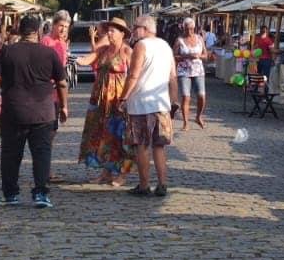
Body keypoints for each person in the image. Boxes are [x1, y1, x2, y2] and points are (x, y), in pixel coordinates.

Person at [0, 14, 68, 207]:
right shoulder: (49, 53)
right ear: (39, 31)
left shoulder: (7, 52)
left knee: (11, 154)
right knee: (42, 153)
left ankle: (10, 194)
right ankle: (40, 193)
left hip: (14, 111)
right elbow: (62, 83)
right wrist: (63, 106)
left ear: (20, 31)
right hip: (43, 111)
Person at [118, 14, 178, 198]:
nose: (133, 30)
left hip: (142, 104)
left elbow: (134, 75)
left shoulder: (141, 46)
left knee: (141, 145)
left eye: (135, 26)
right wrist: (173, 102)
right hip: (161, 104)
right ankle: (162, 184)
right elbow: (173, 77)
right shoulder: (166, 46)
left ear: (145, 28)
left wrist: (123, 98)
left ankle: (144, 185)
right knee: (159, 146)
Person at [76, 17, 133, 185]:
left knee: (121, 136)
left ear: (122, 33)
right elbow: (86, 60)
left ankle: (122, 174)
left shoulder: (127, 51)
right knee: (104, 135)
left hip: (118, 100)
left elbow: (135, 75)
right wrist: (69, 57)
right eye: (108, 30)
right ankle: (106, 173)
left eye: (112, 30)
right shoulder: (104, 50)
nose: (108, 33)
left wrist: (128, 97)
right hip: (101, 99)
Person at [173, 18, 211, 130]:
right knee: (186, 96)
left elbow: (205, 55)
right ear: (183, 28)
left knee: (202, 96)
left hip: (198, 70)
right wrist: (187, 56)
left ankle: (198, 116)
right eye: (187, 29)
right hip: (184, 71)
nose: (189, 31)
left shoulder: (199, 38)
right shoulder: (179, 40)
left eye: (191, 29)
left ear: (194, 28)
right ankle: (185, 123)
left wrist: (199, 56)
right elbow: (174, 56)